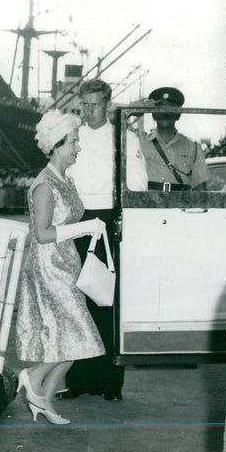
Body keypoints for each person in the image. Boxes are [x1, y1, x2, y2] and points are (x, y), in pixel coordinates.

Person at [14, 110, 107, 425]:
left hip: (67, 263)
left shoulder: (64, 179)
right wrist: (86, 227)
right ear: (56, 144)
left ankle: (43, 399)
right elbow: (42, 234)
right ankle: (33, 377)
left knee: (73, 340)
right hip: (49, 266)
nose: (78, 147)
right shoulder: (44, 186)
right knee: (77, 337)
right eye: (73, 142)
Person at [60, 78, 148, 401]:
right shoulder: (73, 137)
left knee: (106, 300)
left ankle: (110, 383)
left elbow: (138, 182)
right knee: (77, 299)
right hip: (77, 220)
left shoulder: (124, 138)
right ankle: (79, 380)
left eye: (95, 104)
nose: (89, 111)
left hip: (109, 220)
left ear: (108, 104)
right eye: (84, 105)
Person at [139, 87, 209, 191]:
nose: (165, 114)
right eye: (161, 110)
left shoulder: (193, 147)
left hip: (181, 205)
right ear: (153, 114)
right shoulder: (140, 143)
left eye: (170, 110)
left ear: (178, 115)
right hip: (148, 204)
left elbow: (200, 188)